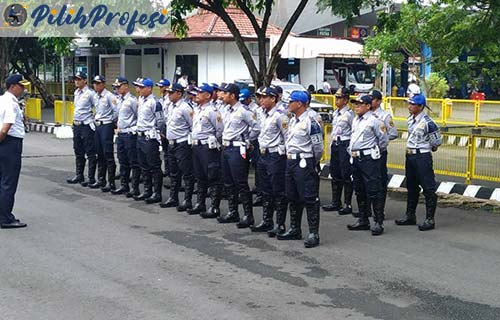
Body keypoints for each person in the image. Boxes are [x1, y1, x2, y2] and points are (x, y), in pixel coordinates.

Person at [277, 91, 323, 248]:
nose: (288, 104)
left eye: (291, 101)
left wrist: (312, 162)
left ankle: (313, 233)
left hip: (304, 161)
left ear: (300, 104)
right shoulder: (292, 121)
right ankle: (295, 229)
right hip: (291, 161)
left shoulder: (311, 122)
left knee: (309, 197)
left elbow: (318, 148)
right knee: (292, 196)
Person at [395, 94, 442, 231]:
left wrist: (430, 147)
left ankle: (430, 219)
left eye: (412, 104)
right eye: (409, 103)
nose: (409, 106)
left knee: (428, 187)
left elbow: (436, 142)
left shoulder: (428, 123)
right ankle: (410, 215)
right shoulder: (411, 120)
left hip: (422, 156)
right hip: (410, 156)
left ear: (420, 107)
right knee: (412, 186)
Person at [217, 83, 260, 228]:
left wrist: (247, 140)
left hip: (237, 148)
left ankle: (248, 215)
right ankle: (232, 211)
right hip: (226, 147)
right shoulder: (226, 110)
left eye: (225, 93)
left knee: (240, 182)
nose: (222, 95)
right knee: (228, 181)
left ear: (232, 95)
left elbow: (256, 127)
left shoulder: (243, 111)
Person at [346, 95, 388, 236]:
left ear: (368, 106)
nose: (356, 106)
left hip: (369, 158)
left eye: (360, 104)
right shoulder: (356, 120)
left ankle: (378, 221)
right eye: (355, 104)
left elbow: (383, 141)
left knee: (373, 190)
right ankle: (363, 219)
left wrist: (372, 153)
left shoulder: (375, 121)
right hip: (356, 158)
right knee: (359, 189)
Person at [250, 86, 289, 237]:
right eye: (260, 97)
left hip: (275, 156)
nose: (261, 100)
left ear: (273, 98)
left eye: (264, 97)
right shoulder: (262, 114)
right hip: (263, 154)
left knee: (278, 190)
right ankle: (267, 220)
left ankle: (280, 224)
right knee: (265, 189)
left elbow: (287, 136)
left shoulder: (280, 115)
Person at [187, 84, 224, 218]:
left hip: (207, 147)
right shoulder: (197, 109)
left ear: (207, 95)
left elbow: (219, 130)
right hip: (196, 146)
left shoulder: (212, 111)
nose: (196, 95)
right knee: (200, 176)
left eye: (199, 92)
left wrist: (213, 142)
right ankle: (200, 203)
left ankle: (214, 207)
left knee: (213, 176)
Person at [0, 75, 30, 229]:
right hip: (10, 144)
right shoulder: (11, 103)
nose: (23, 89)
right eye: (21, 86)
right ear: (13, 86)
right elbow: (5, 128)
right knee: (8, 182)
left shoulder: (2, 100)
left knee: (2, 180)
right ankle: (5, 218)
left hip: (5, 144)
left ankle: (3, 214)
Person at [160, 83, 195, 211]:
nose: (169, 95)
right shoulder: (171, 106)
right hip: (171, 143)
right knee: (174, 172)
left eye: (171, 92)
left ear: (179, 93)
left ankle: (187, 200)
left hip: (182, 143)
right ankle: (173, 198)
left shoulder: (185, 107)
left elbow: (193, 126)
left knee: (186, 172)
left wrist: (190, 143)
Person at [322, 88, 354, 215]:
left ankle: (347, 203)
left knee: (346, 174)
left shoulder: (349, 115)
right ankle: (336, 201)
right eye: (336, 97)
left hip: (345, 144)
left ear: (346, 100)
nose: (337, 100)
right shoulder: (336, 113)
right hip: (335, 144)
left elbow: (354, 131)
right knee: (335, 173)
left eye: (340, 98)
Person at [134, 78, 164, 204]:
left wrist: (157, 134)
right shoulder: (141, 100)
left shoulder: (154, 102)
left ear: (149, 88)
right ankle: (147, 190)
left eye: (142, 87)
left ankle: (157, 193)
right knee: (143, 166)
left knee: (154, 166)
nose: (139, 89)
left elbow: (160, 121)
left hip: (149, 137)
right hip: (140, 136)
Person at [66, 72, 98, 187]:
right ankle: (79, 175)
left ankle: (91, 178)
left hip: (86, 125)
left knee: (90, 152)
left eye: (79, 79)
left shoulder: (90, 93)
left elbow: (97, 107)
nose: (76, 81)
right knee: (78, 150)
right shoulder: (77, 92)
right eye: (75, 79)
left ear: (85, 80)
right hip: (77, 125)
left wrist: (93, 119)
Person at [110, 77, 140, 197]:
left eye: (119, 86)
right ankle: (124, 185)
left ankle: (135, 188)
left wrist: (134, 129)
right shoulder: (118, 100)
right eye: (116, 87)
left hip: (129, 133)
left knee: (133, 162)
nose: (117, 89)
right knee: (122, 161)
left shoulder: (132, 100)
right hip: (120, 134)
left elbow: (139, 117)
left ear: (126, 86)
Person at [370, 90, 398, 216]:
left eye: (372, 99)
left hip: (379, 152)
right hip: (366, 154)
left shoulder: (384, 116)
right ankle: (367, 210)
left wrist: (380, 140)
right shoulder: (365, 115)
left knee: (380, 181)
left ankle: (380, 211)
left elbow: (393, 133)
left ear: (378, 101)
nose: (369, 101)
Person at [88, 75, 118, 192]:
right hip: (98, 125)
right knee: (99, 154)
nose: (96, 85)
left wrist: (110, 122)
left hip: (106, 125)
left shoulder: (109, 96)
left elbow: (116, 111)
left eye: (98, 83)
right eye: (94, 83)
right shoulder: (95, 96)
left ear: (103, 84)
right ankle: (101, 180)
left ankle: (111, 182)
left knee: (108, 154)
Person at [240, 88, 264, 207]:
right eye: (259, 96)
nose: (261, 99)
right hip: (252, 140)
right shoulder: (258, 109)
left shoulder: (255, 109)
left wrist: (250, 139)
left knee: (259, 167)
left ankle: (260, 192)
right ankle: (258, 190)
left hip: (258, 141)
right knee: (254, 165)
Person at [156, 79, 171, 188]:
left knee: (170, 152)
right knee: (166, 151)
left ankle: (170, 171)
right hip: (164, 128)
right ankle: (167, 169)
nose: (160, 88)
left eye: (162, 86)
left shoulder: (169, 100)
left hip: (168, 127)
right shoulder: (161, 99)